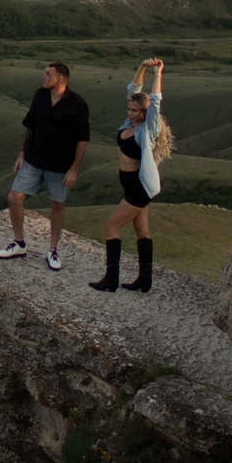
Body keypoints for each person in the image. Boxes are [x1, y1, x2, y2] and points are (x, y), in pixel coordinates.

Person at [0, 60, 88, 271]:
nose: (43, 77)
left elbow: (83, 139)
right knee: (14, 197)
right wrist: (21, 153)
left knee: (57, 205)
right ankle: (19, 243)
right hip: (34, 159)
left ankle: (53, 249)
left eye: (47, 74)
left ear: (60, 79)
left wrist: (74, 169)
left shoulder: (77, 104)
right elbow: (28, 125)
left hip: (60, 165)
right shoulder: (40, 95)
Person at [92, 59, 169, 293]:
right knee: (141, 231)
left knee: (110, 226)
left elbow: (155, 102)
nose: (130, 113)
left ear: (144, 114)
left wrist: (157, 73)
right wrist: (142, 67)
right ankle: (145, 281)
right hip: (132, 187)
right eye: (129, 109)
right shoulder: (129, 123)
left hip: (138, 188)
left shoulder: (148, 129)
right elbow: (133, 90)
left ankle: (111, 279)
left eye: (135, 111)